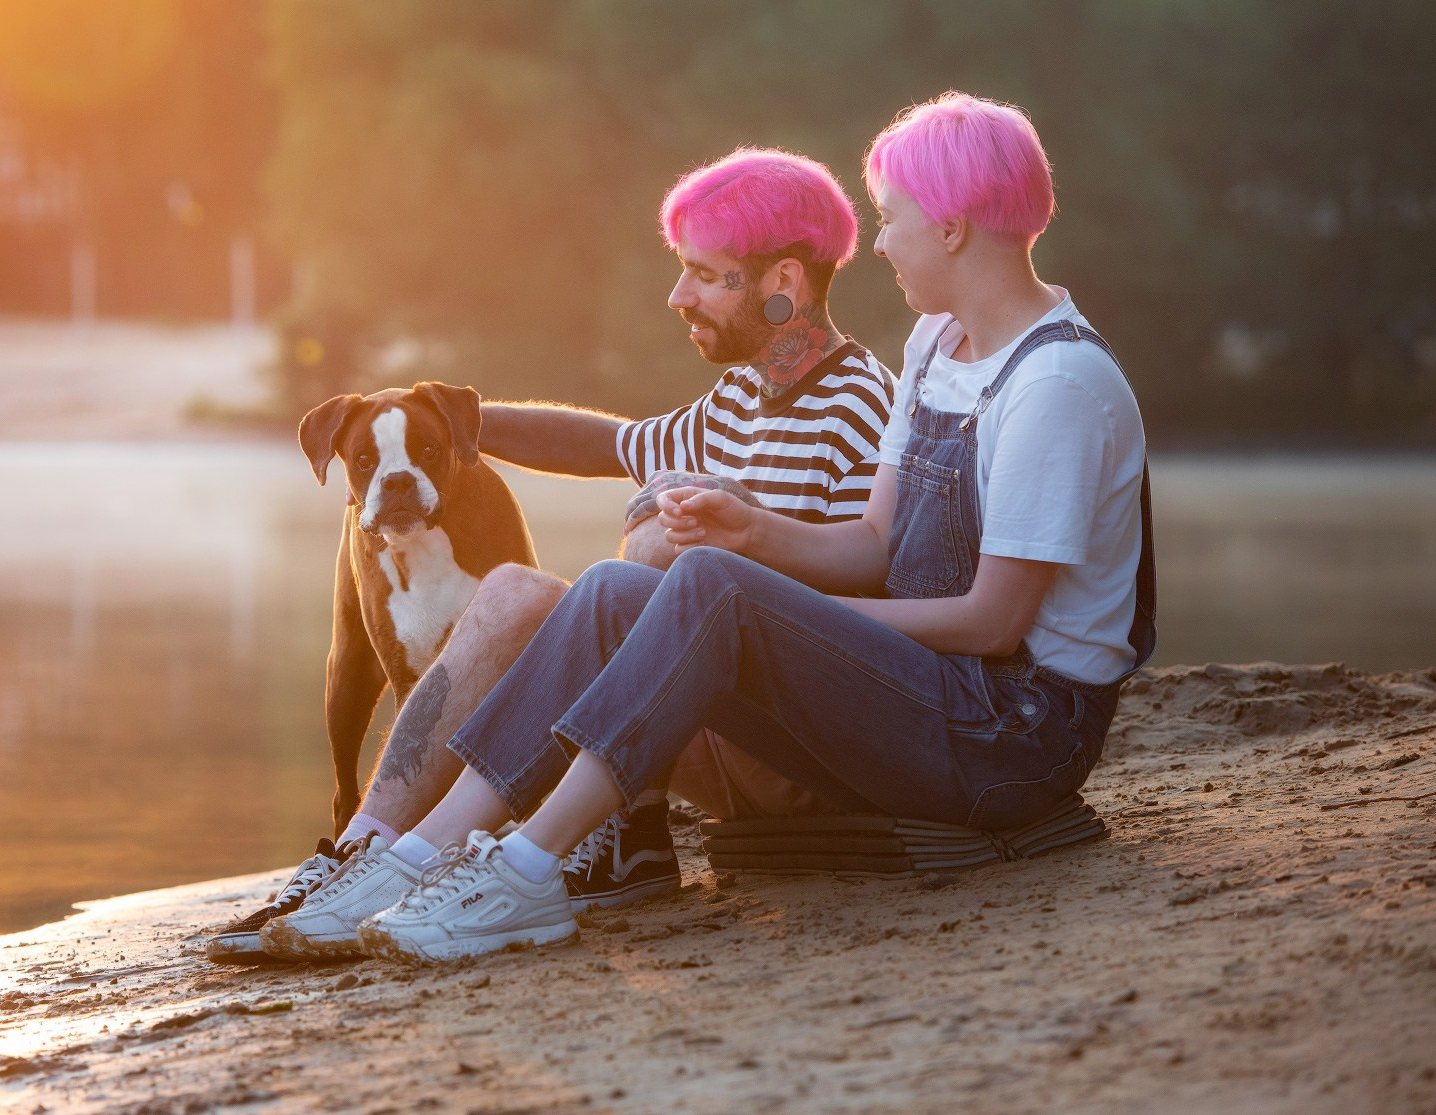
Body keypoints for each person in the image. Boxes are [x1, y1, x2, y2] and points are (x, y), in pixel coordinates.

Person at [352, 91, 1158, 963]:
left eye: (893, 218)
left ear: (954, 225)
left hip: (1017, 731)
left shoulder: (1055, 387)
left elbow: (994, 622)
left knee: (701, 585)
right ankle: (417, 853)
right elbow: (874, 545)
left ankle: (525, 865)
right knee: (621, 585)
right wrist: (750, 534)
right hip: (937, 689)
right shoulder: (936, 344)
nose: (879, 241)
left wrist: (761, 601)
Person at [204, 148, 897, 960]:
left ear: (781, 282)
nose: (678, 296)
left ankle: (508, 849)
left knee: (652, 535)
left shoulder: (859, 407)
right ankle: (363, 851)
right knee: (512, 593)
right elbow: (608, 441)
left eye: (706, 275)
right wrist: (442, 422)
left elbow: (865, 616)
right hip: (708, 723)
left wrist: (724, 541)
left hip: (799, 754)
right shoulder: (743, 396)